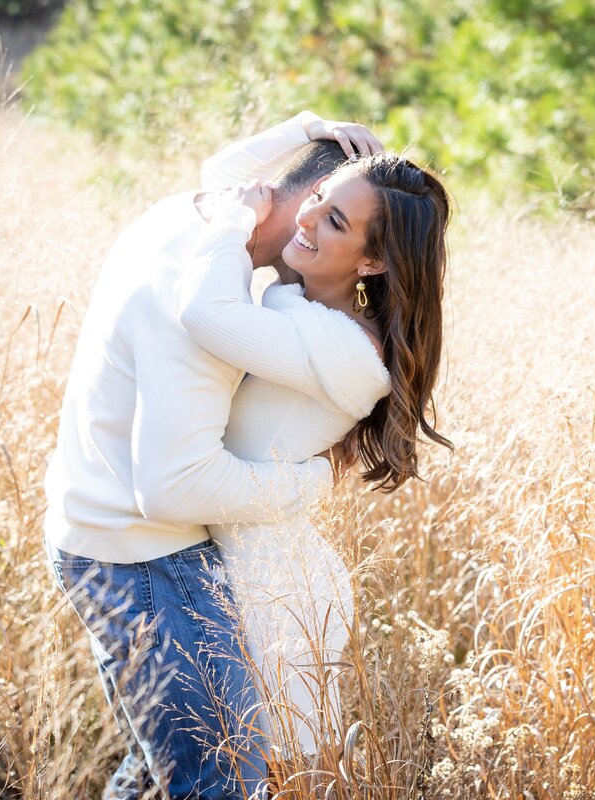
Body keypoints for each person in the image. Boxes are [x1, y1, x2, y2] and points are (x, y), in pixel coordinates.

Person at [179, 136, 452, 778]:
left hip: (279, 592)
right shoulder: (300, 306)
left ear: (374, 263)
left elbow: (203, 312)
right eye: (319, 198)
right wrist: (306, 125)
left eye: (334, 221)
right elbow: (217, 173)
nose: (304, 217)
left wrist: (234, 221)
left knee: (294, 779)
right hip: (234, 572)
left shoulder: (351, 354)